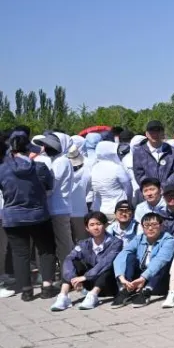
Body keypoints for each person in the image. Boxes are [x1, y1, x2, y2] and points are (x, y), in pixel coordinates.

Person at [0, 134, 57, 301]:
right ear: (28, 149)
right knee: (46, 250)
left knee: (20, 254)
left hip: (13, 216)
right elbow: (49, 186)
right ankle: (47, 286)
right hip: (38, 214)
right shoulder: (40, 167)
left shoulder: (2, 169)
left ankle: (26, 290)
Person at [50, 211, 123, 312]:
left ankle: (93, 295)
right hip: (89, 283)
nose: (96, 227)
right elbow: (69, 258)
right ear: (87, 228)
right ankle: (63, 296)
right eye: (92, 225)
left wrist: (85, 277)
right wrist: (73, 279)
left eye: (99, 224)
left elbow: (106, 263)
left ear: (105, 225)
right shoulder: (84, 243)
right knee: (72, 261)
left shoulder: (116, 243)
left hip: (108, 284)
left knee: (107, 266)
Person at [112, 211, 174, 307]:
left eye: (154, 225)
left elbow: (161, 260)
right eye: (146, 225)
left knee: (161, 263)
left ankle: (147, 291)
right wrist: (121, 277)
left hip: (157, 277)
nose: (150, 228)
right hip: (140, 274)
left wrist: (143, 278)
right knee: (129, 256)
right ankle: (127, 288)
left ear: (161, 226)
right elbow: (122, 254)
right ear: (142, 227)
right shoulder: (139, 238)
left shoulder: (169, 239)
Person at [39, 132, 76, 274]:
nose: (47, 148)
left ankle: (68, 275)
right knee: (60, 244)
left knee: (64, 245)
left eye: (51, 145)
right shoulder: (57, 161)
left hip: (58, 208)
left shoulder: (61, 162)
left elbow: (52, 186)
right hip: (56, 208)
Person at [90, 141, 132, 216]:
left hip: (99, 210)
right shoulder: (117, 167)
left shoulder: (94, 167)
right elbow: (128, 187)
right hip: (118, 209)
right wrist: (128, 202)